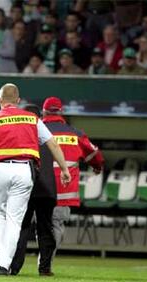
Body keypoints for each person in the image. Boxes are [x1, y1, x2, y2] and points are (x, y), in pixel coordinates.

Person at [0, 84, 71, 276]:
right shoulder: (32, 119)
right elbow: (52, 143)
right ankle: (3, 265)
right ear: (18, 100)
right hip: (23, 171)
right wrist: (64, 168)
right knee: (14, 220)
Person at [42, 97, 104, 262]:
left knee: (35, 226)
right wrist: (97, 167)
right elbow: (94, 154)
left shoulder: (37, 132)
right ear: (61, 112)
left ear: (43, 112)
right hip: (63, 192)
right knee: (56, 226)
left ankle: (10, 263)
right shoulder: (75, 134)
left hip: (38, 190)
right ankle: (46, 263)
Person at [10, 104, 57, 277]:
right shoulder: (48, 135)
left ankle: (14, 267)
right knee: (45, 228)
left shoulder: (19, 135)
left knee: (21, 228)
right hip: (47, 189)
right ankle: (44, 268)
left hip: (26, 186)